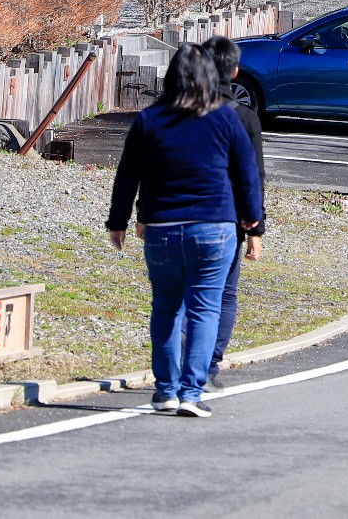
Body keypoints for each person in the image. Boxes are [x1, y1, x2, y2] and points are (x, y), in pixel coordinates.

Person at [106, 42, 263, 418]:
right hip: (214, 227)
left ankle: (165, 390)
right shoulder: (226, 118)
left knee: (166, 308)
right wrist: (252, 222)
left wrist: (119, 222)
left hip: (162, 227)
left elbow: (127, 175)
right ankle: (192, 392)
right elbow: (247, 176)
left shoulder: (150, 119)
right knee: (205, 308)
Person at [203, 34, 266, 388]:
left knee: (186, 293)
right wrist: (255, 227)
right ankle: (210, 362)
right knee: (225, 293)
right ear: (236, 71)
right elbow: (254, 175)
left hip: (181, 216)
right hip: (228, 220)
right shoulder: (244, 118)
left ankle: (183, 361)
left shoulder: (181, 112)